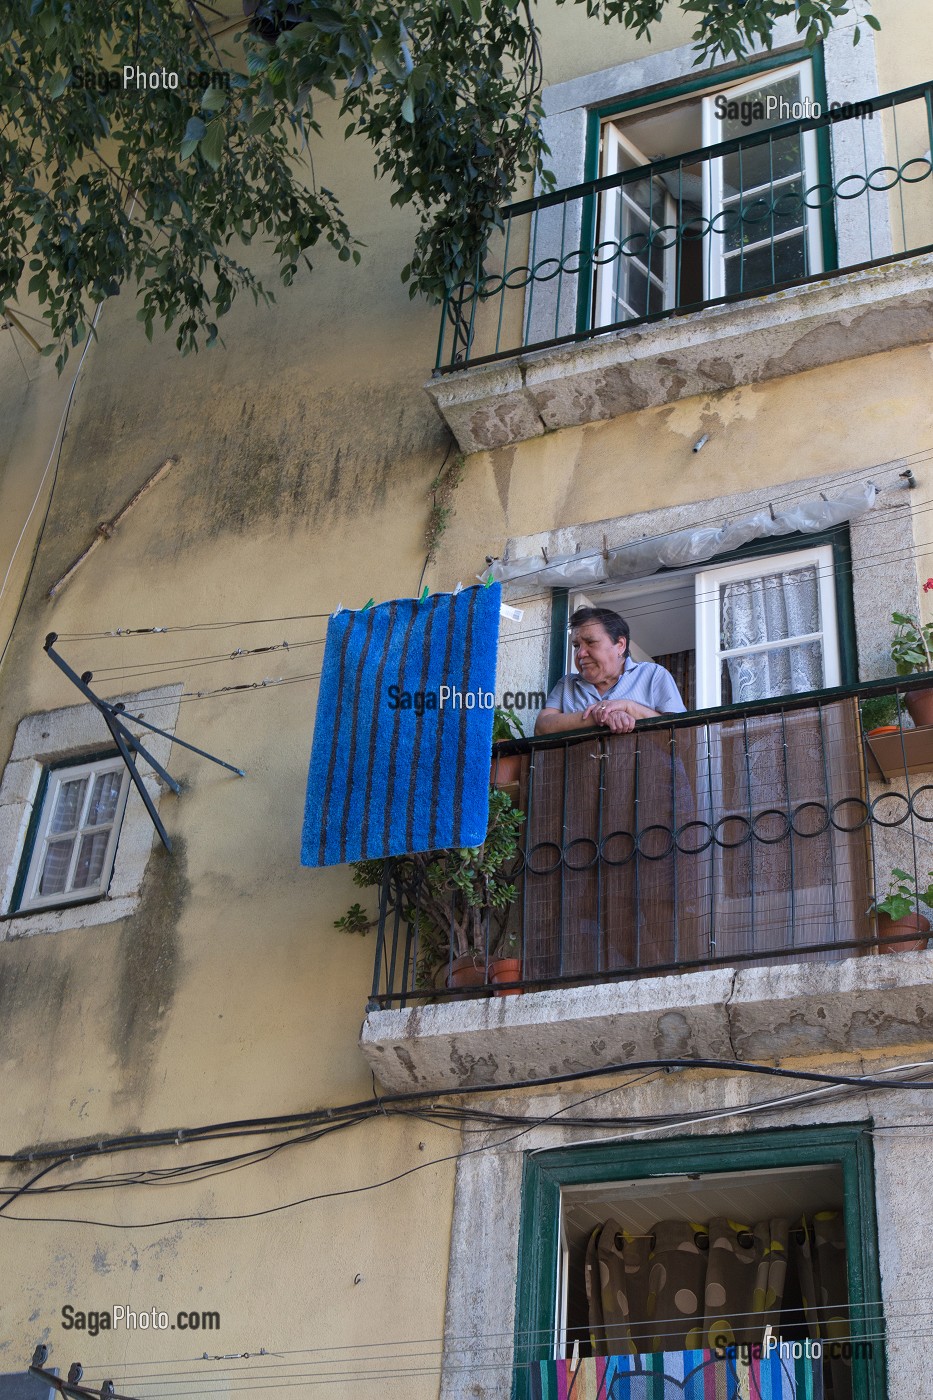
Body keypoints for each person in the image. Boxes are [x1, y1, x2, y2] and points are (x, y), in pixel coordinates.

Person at [535, 606, 686, 735]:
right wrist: (597, 717)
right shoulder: (567, 684)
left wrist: (629, 707)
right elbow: (541, 727)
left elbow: (682, 736)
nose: (580, 653)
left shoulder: (653, 675)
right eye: (576, 646)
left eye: (590, 642)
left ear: (620, 645)